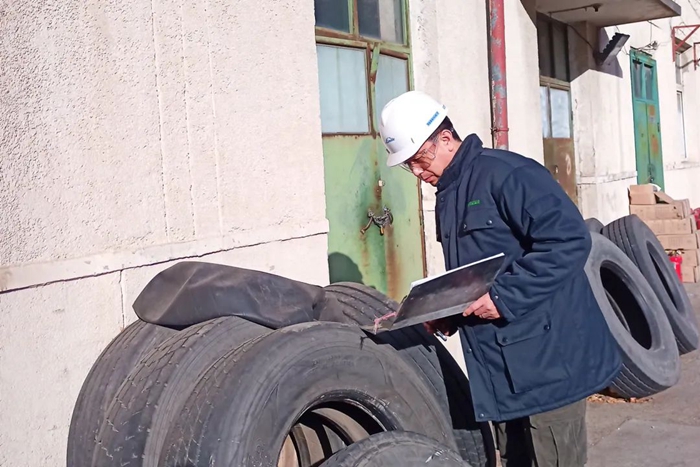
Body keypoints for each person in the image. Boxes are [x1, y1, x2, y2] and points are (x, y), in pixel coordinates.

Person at [379, 91, 622, 467]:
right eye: (407, 165)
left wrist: (504, 298)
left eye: (419, 159)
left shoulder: (509, 175)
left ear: (445, 139)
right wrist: (450, 312)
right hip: (504, 371)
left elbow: (569, 241)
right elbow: (481, 272)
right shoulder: (450, 194)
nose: (416, 172)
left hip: (548, 364)